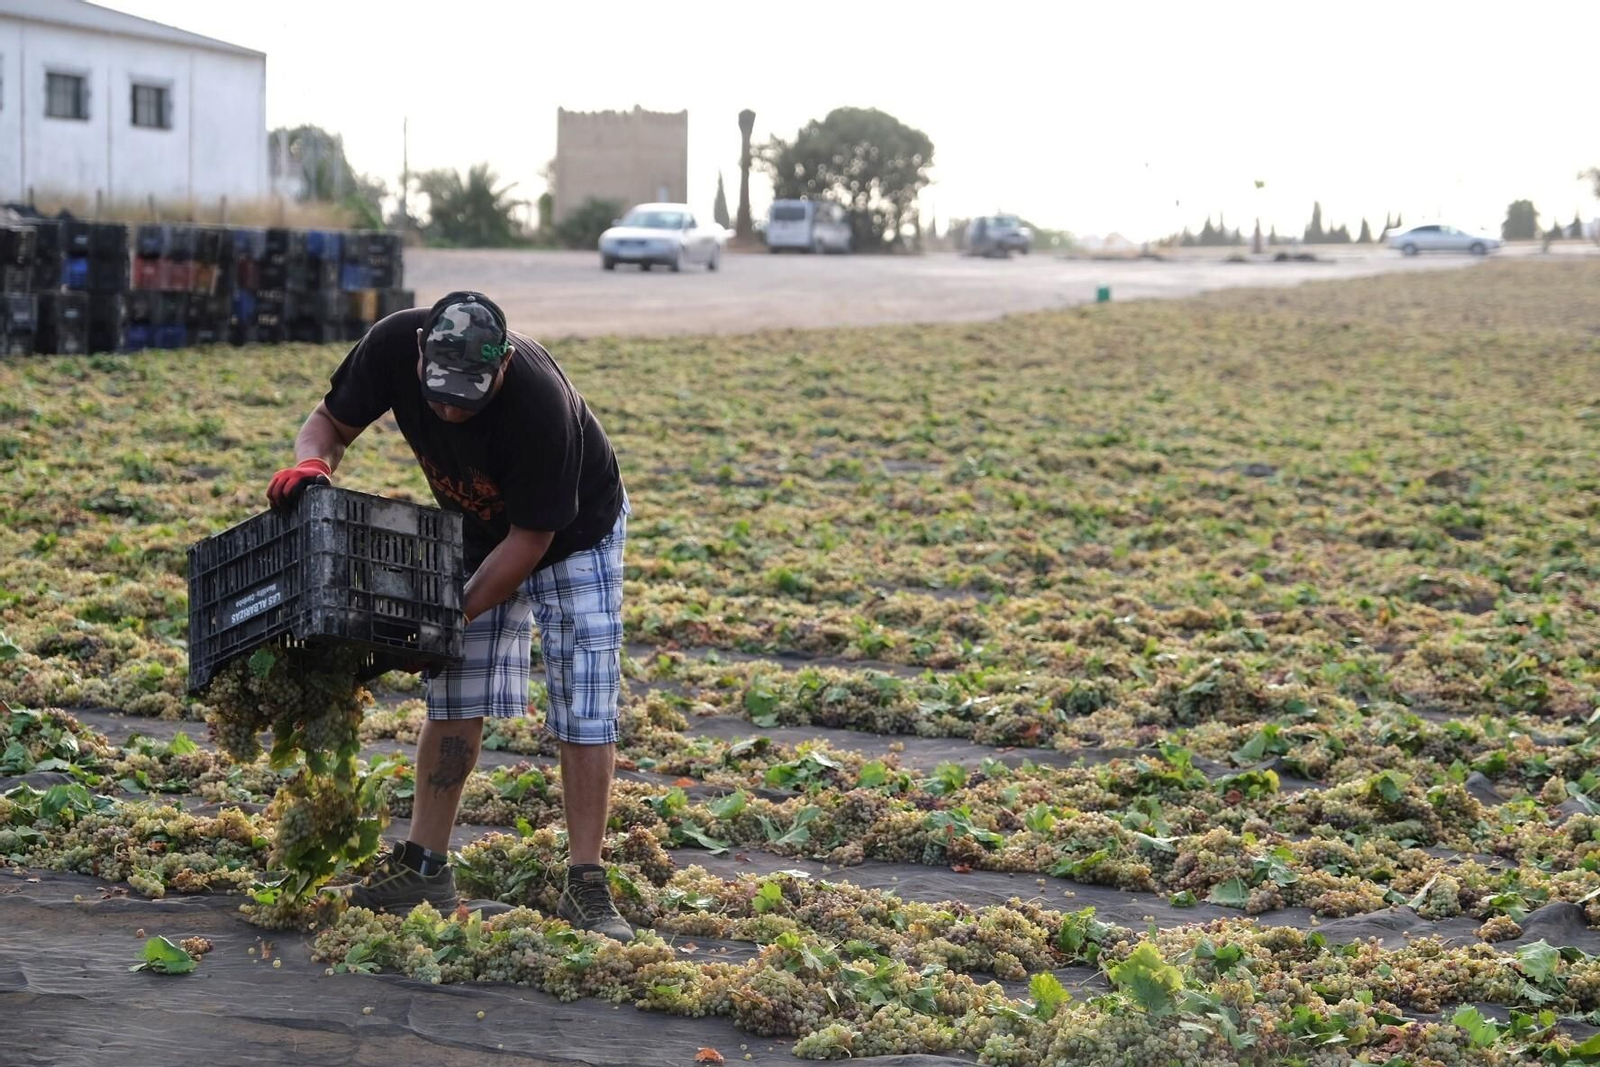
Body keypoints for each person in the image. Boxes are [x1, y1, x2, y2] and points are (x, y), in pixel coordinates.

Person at [265, 291, 633, 940]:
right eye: (439, 394)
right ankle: (424, 867)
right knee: (456, 688)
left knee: (583, 694)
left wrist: (446, 617)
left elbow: (531, 541)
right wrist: (312, 465)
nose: (449, 410)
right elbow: (328, 424)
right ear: (420, 351)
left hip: (574, 533)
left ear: (503, 365)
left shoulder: (539, 405)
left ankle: (586, 881)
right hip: (477, 528)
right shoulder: (390, 345)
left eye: (468, 397)